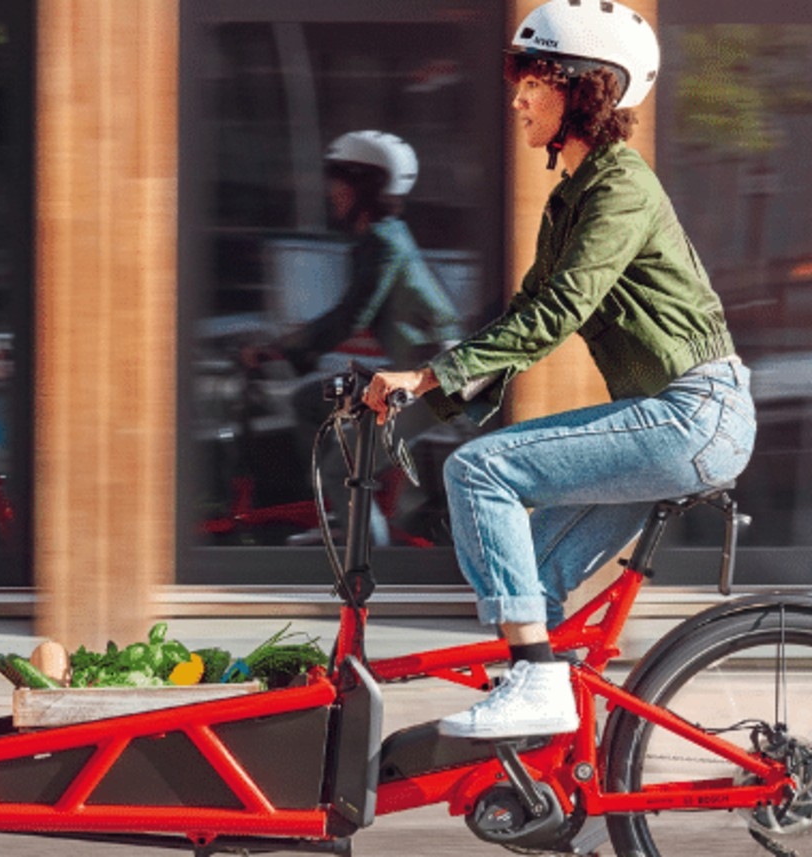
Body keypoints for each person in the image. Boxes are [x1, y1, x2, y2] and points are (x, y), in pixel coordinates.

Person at [364, 0, 756, 740]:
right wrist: (421, 401)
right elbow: (524, 312)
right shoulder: (571, 198)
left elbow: (560, 312)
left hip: (693, 415)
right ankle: (561, 784)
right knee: (532, 591)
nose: (516, 96)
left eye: (533, 79)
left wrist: (431, 380)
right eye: (518, 77)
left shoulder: (620, 188)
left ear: (587, 90)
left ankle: (540, 690)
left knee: (481, 473)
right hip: (673, 420)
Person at [244, 130, 462, 375]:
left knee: (309, 402)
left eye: (338, 183)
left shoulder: (385, 243)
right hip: (422, 370)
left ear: (366, 187)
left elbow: (350, 317)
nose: (331, 192)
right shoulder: (385, 236)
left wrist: (282, 349)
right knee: (325, 396)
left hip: (436, 381)